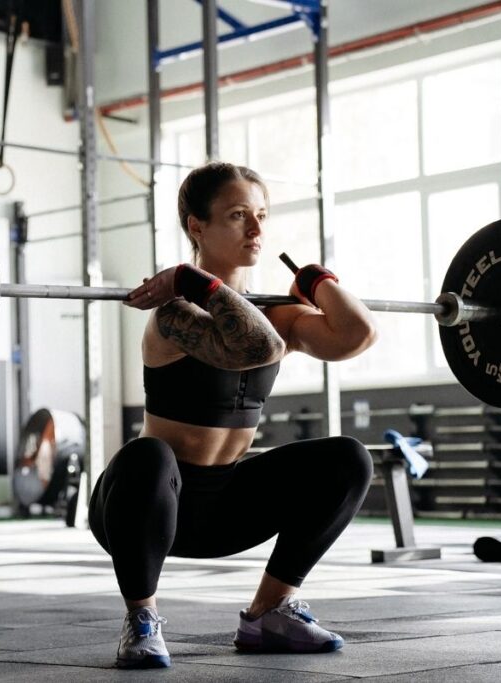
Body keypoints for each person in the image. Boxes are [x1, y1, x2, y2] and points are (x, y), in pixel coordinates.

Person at [88, 161, 378, 669]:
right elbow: (254, 344)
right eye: (239, 215)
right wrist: (187, 280)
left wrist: (316, 281)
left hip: (226, 509)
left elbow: (357, 334)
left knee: (349, 459)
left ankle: (270, 612)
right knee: (148, 456)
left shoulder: (277, 313)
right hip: (148, 508)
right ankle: (141, 620)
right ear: (196, 226)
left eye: (262, 215)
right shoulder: (173, 310)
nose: (257, 230)